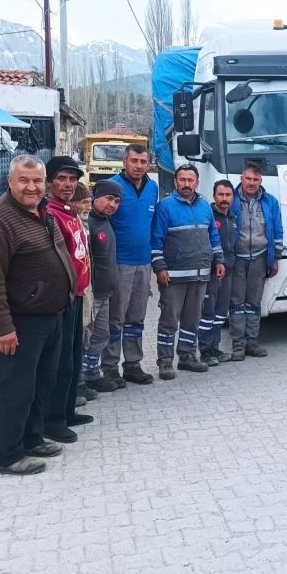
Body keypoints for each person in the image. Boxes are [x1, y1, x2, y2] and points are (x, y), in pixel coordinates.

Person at [0, 155, 76, 475]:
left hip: (50, 315)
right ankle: (5, 454)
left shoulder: (43, 211)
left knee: (41, 384)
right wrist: (1, 327)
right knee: (15, 388)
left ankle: (31, 438)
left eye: (37, 181)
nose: (32, 187)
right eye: (24, 181)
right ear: (10, 182)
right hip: (19, 322)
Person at [151, 165, 225, 379]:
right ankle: (165, 362)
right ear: (175, 182)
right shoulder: (165, 206)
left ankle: (187, 356)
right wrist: (160, 267)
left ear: (197, 182)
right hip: (174, 276)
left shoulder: (205, 206)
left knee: (192, 319)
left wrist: (218, 259)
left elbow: (213, 237)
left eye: (190, 180)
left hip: (201, 274)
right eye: (182, 180)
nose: (186, 184)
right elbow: (156, 240)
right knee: (169, 320)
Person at [44, 156, 92, 444]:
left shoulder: (69, 211)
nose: (67, 184)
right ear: (50, 181)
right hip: (62, 297)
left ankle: (68, 409)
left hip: (78, 294)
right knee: (60, 360)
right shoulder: (49, 214)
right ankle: (53, 420)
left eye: (72, 179)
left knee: (74, 355)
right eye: (61, 178)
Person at [101, 144, 159, 386]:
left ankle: (133, 364)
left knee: (137, 317)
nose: (138, 165)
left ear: (148, 163)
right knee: (116, 318)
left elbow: (153, 223)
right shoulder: (112, 187)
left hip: (144, 263)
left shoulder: (153, 188)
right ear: (125, 161)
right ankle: (110, 367)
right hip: (119, 264)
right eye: (134, 160)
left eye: (143, 161)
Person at [230, 162, 283, 360]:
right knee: (236, 303)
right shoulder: (231, 199)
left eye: (256, 179)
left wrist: (275, 258)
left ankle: (252, 342)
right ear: (241, 178)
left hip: (260, 258)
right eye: (248, 179)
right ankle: (238, 345)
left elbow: (277, 230)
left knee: (253, 302)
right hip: (237, 260)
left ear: (261, 181)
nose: (251, 183)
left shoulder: (270, 202)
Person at [81, 180, 123, 393]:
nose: (112, 204)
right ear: (94, 197)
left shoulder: (106, 222)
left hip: (105, 293)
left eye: (116, 201)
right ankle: (79, 382)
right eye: (108, 198)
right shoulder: (89, 224)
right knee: (85, 338)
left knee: (100, 336)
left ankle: (92, 375)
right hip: (91, 294)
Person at [199, 180, 238, 366]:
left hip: (229, 271)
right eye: (221, 195)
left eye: (228, 195)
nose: (224, 199)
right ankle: (205, 350)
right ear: (214, 196)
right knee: (208, 312)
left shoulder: (233, 217)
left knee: (221, 313)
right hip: (212, 271)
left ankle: (215, 347)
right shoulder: (208, 216)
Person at [71, 183, 96, 406]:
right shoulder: (70, 224)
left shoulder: (85, 225)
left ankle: (80, 383)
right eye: (83, 201)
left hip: (87, 290)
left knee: (85, 336)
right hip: (75, 292)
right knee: (75, 340)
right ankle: (74, 386)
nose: (87, 206)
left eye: (89, 201)